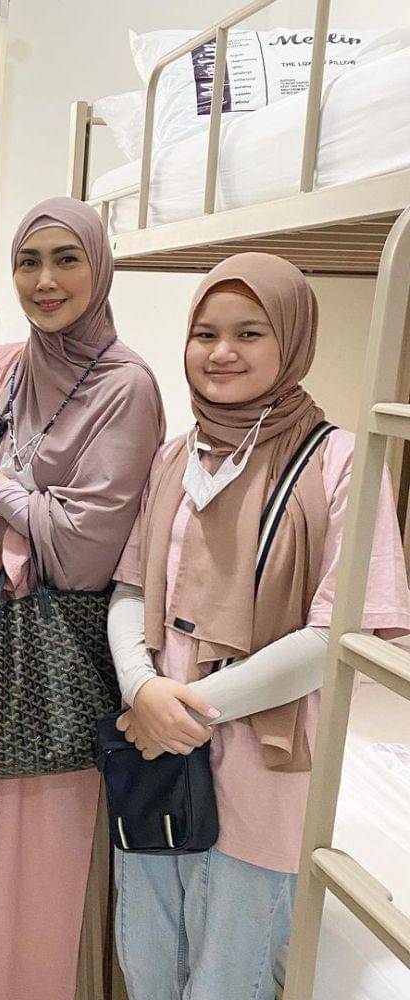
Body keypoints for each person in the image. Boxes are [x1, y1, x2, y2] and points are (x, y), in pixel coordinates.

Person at [107, 252, 410, 1000]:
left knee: (229, 977)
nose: (221, 352)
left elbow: (334, 636)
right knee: (147, 960)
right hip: (156, 750)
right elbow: (130, 588)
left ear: (293, 341)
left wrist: (182, 712)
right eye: (204, 333)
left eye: (249, 333)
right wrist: (143, 689)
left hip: (263, 760)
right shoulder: (174, 457)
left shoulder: (340, 461)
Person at [0, 196, 165, 1000]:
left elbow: (84, 546)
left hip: (61, 654)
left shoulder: (126, 386)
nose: (45, 280)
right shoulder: (2, 367)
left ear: (100, 267)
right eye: (28, 262)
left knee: (45, 855)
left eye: (67, 259)